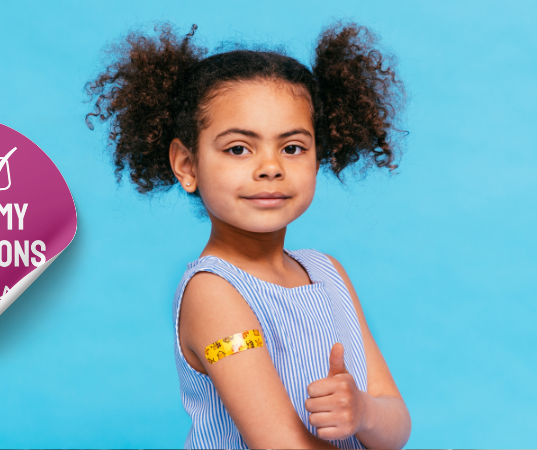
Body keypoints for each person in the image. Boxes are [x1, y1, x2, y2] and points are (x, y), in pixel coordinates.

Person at [84, 21, 411, 449]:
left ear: (318, 157)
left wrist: (363, 411)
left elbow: (395, 425)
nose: (270, 167)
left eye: (292, 147)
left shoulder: (328, 273)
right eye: (239, 148)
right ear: (186, 165)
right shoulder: (213, 294)